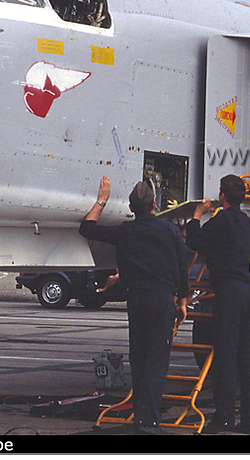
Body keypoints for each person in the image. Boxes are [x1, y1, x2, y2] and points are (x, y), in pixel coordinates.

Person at [79, 176, 189, 435]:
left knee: (139, 358)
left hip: (136, 300)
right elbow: (182, 270)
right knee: (157, 360)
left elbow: (88, 228)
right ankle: (149, 422)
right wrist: (182, 302)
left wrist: (102, 199)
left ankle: (142, 416)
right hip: (162, 299)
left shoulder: (125, 231)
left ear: (131, 209)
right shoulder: (170, 231)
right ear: (154, 205)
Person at [185, 175, 250, 434]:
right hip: (247, 292)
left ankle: (224, 417)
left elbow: (194, 239)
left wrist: (197, 214)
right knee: (248, 359)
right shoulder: (245, 221)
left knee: (225, 358)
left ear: (223, 197)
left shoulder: (222, 219)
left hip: (228, 291)